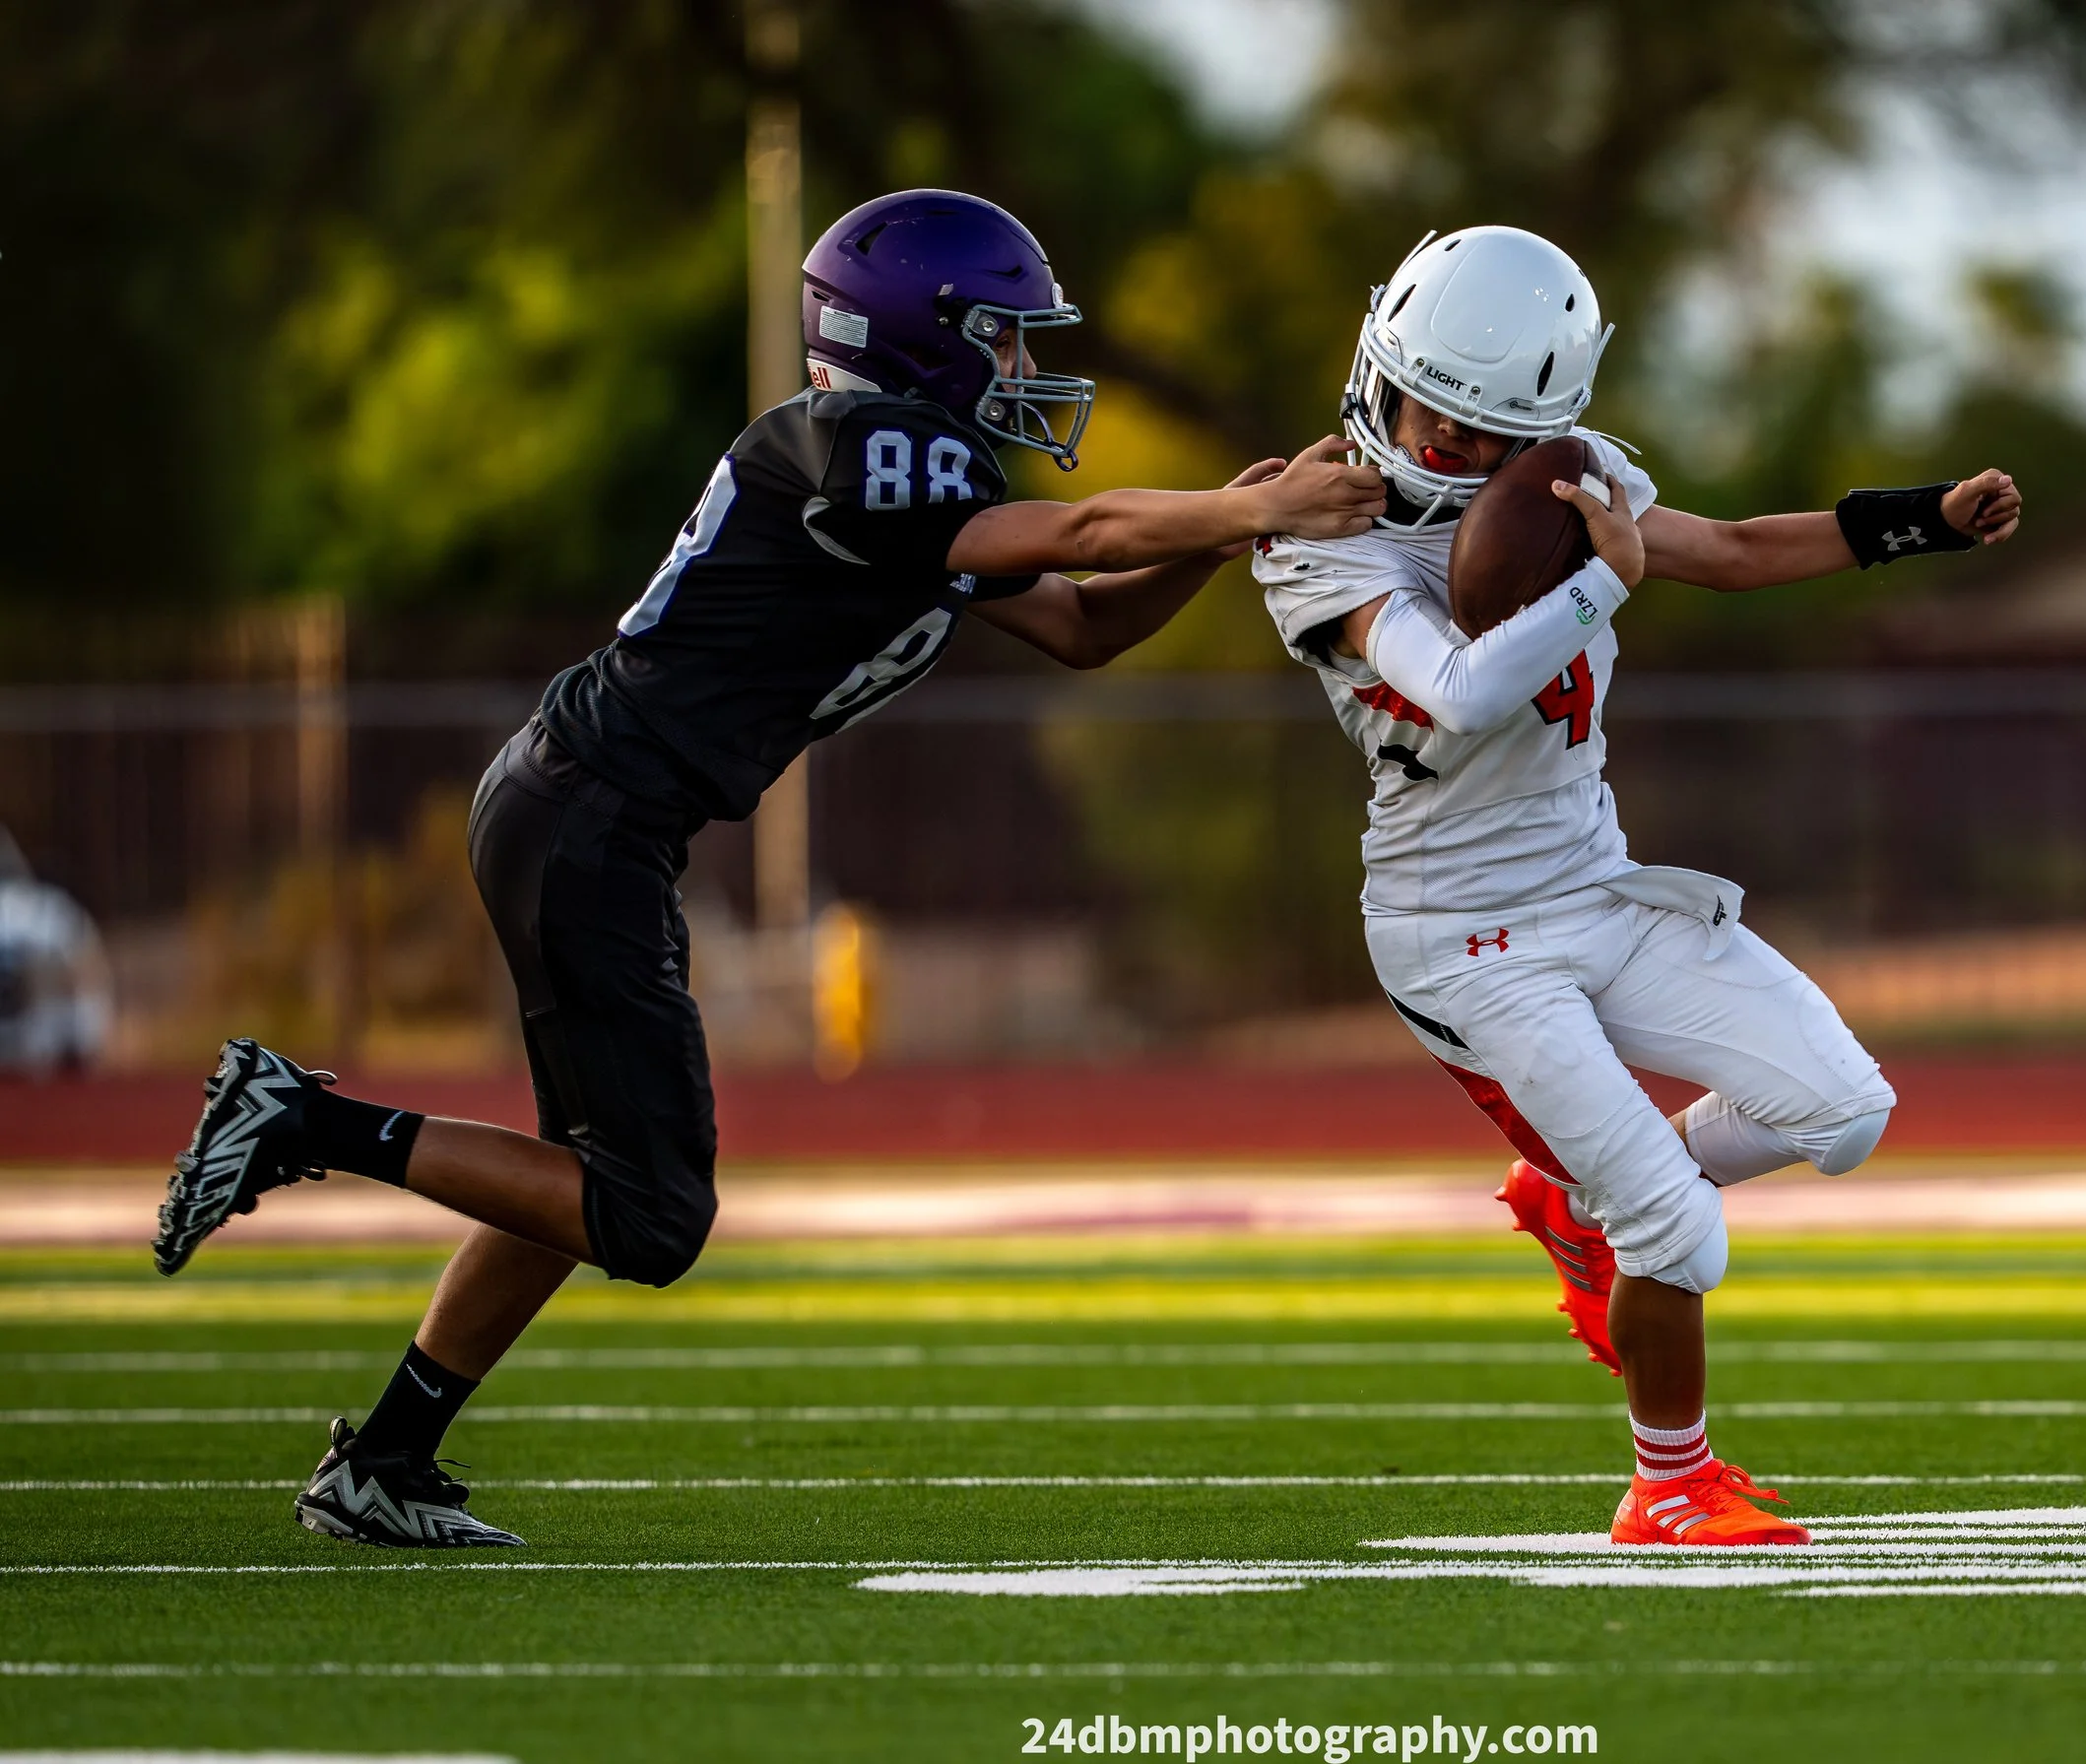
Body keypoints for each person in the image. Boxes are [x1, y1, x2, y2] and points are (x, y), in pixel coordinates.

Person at [153, 188, 1388, 1548]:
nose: (1023, 365)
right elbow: (1084, 536)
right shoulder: (856, 443)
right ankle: (302, 1122)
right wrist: (1235, 508)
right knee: (650, 1214)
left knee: (591, 1172)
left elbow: (1085, 626)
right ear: (925, 333)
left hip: (588, 811)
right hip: (590, 814)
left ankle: (384, 1459)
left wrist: (1234, 529)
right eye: (1004, 334)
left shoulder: (893, 478)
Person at [1255, 226, 2020, 1545]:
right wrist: (1605, 581)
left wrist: (1923, 520)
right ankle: (1670, 1483)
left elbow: (1731, 548)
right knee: (1673, 1229)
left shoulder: (1576, 482)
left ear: (1541, 428)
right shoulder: (1317, 532)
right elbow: (1459, 689)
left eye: (1478, 431)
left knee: (1845, 1111)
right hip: (1463, 934)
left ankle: (1570, 1194)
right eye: (1425, 408)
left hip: (1595, 886)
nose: (1441, 442)